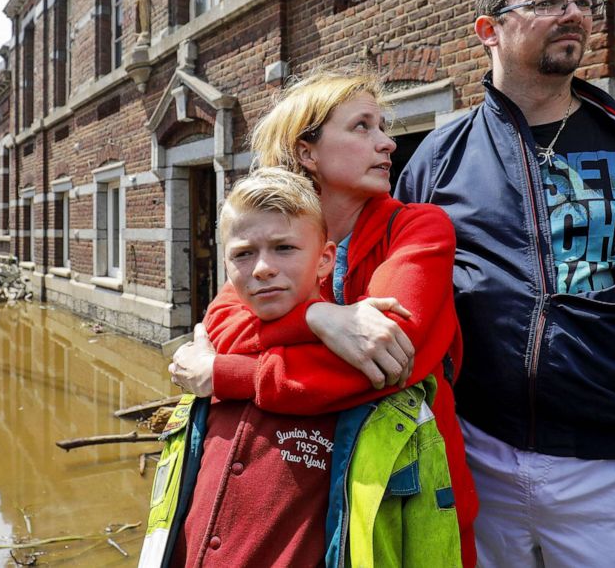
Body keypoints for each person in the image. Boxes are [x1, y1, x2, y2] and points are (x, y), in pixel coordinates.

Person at [395, 0, 615, 567]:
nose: (574, 13)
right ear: (489, 30)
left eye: (582, 1)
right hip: (480, 452)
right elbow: (381, 278)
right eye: (548, 1)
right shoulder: (437, 159)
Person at [167, 70, 477, 566]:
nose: (388, 143)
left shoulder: (418, 229)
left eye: (382, 127)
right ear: (307, 151)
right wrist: (322, 320)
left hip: (397, 500)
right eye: (362, 127)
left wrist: (227, 372)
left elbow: (383, 361)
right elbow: (223, 322)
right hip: (294, 504)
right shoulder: (273, 233)